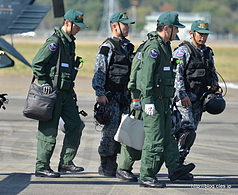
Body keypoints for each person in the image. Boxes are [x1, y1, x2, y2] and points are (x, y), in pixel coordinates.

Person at [134, 11, 195, 188]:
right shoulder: (153, 48)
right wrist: (148, 102)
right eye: (176, 28)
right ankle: (146, 175)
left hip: (164, 101)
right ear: (167, 29)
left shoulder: (165, 46)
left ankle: (175, 168)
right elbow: (145, 77)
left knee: (167, 137)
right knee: (154, 138)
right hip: (153, 100)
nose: (178, 32)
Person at [32, 9, 87, 178]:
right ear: (67, 23)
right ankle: (42, 166)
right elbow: (37, 62)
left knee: (76, 125)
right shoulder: (54, 42)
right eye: (76, 26)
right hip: (53, 93)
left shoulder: (70, 42)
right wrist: (43, 82)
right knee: (49, 131)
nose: (79, 29)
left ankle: (66, 162)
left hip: (66, 94)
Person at [92, 12, 135, 177]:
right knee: (110, 132)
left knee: (124, 132)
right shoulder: (107, 46)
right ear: (115, 26)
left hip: (125, 97)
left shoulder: (128, 46)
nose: (127, 27)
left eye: (128, 24)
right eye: (124, 24)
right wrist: (100, 93)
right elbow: (99, 71)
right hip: (110, 96)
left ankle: (119, 164)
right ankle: (106, 165)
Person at [172, 20, 219, 165]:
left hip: (199, 100)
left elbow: (212, 72)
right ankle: (176, 163)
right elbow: (176, 75)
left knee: (190, 133)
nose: (203, 37)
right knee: (188, 130)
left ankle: (178, 161)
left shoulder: (207, 52)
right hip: (184, 99)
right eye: (200, 34)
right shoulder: (183, 51)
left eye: (205, 35)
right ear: (192, 33)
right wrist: (182, 95)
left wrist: (214, 84)